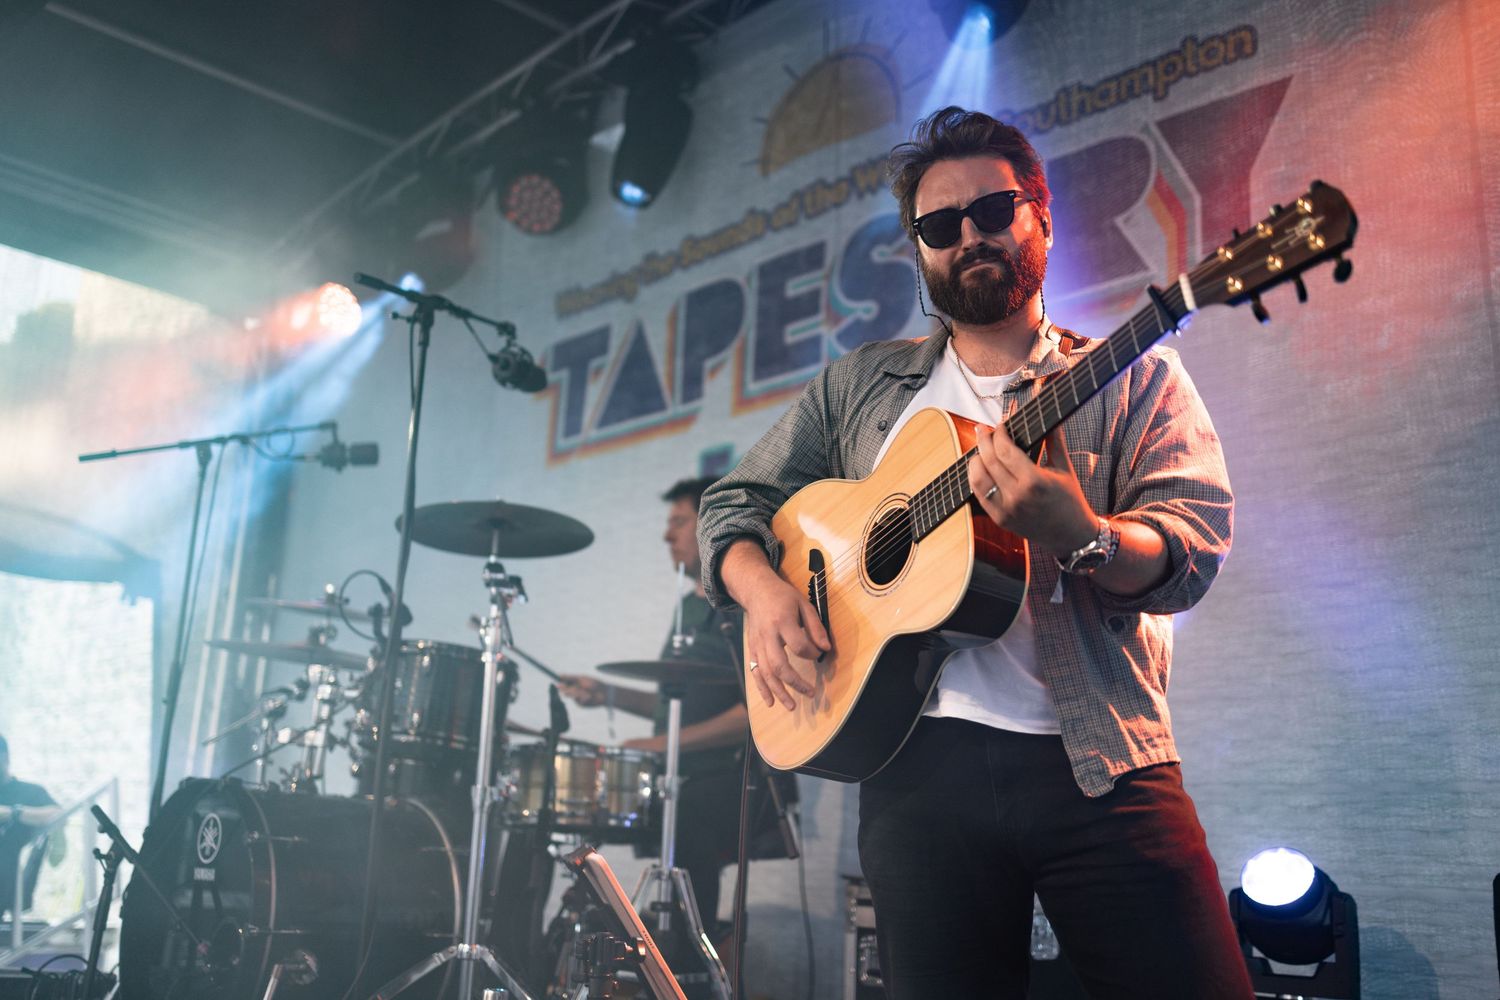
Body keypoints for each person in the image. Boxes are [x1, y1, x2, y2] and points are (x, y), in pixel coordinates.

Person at [696, 107, 1252, 998]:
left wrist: (1084, 534)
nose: (970, 238)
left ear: (1041, 217)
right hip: (915, 773)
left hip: (1103, 759)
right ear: (919, 252)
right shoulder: (861, 387)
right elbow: (735, 503)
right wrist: (762, 592)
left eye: (993, 212)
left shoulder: (1133, 374)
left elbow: (1191, 551)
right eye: (940, 226)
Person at [559, 476, 792, 952]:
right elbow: (674, 705)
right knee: (569, 816)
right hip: (682, 776)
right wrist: (608, 695)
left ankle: (687, 960)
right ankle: (596, 948)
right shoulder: (687, 608)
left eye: (679, 522)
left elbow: (755, 714)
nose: (668, 536)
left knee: (685, 827)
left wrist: (660, 746)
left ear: (714, 525)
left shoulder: (749, 604)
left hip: (735, 780)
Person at [0, 733, 60, 921]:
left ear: (5, 757)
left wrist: (13, 813)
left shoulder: (29, 792)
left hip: (8, 878)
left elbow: (57, 814)